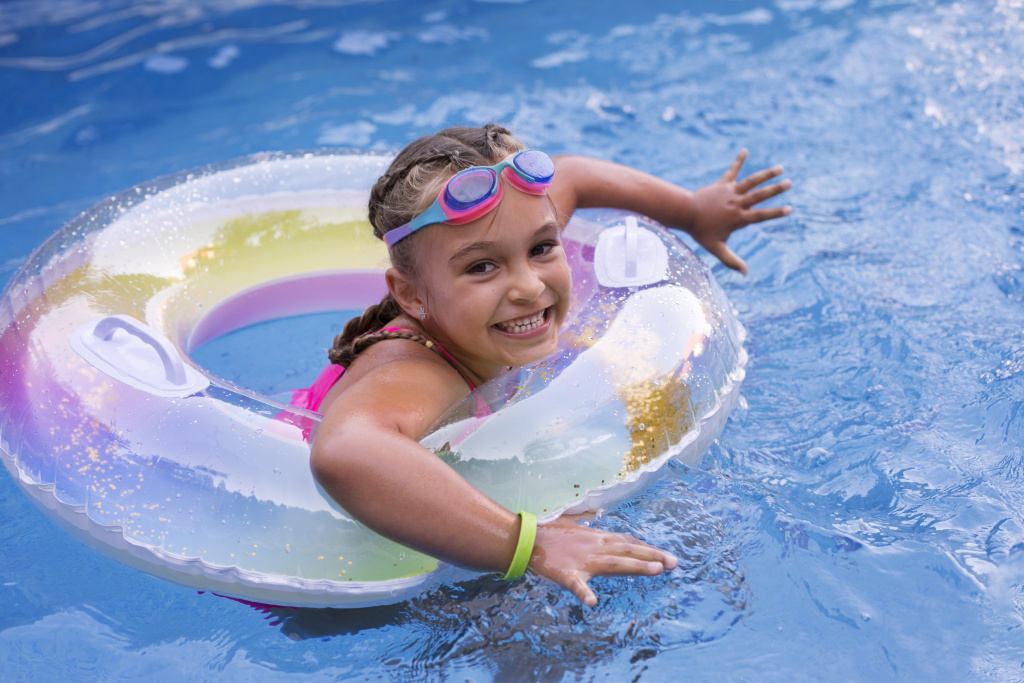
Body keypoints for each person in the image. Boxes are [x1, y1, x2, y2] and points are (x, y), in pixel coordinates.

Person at [305, 124, 791, 606]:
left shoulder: (511, 218)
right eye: (482, 267)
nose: (530, 287)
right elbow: (345, 452)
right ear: (411, 294)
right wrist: (531, 546)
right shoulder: (419, 373)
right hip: (336, 577)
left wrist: (693, 210)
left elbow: (573, 175)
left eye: (541, 248)